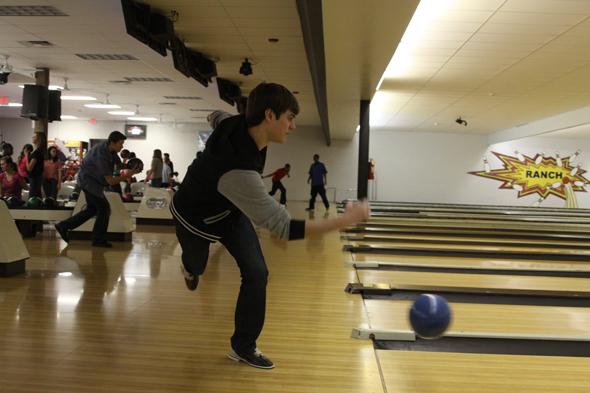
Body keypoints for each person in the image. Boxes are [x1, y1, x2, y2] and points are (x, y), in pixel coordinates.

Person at [171, 82, 370, 370]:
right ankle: (189, 267)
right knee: (198, 267)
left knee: (257, 272)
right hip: (193, 217)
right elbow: (283, 228)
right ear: (269, 115)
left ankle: (243, 346)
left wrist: (212, 119)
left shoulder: (236, 123)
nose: (293, 126)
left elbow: (217, 116)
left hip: (230, 211)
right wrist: (345, 220)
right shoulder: (237, 170)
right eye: (289, 118)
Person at [54, 131, 139, 248]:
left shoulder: (111, 150)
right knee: (104, 208)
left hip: (93, 182)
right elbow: (110, 181)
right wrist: (128, 175)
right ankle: (98, 239)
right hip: (88, 182)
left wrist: (130, 167)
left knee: (92, 209)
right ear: (112, 142)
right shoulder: (101, 154)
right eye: (121, 143)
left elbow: (118, 164)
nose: (122, 146)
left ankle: (64, 226)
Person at [26, 133, 45, 198]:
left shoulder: (37, 152)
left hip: (35, 177)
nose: (32, 138)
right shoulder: (38, 151)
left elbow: (29, 168)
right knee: (37, 195)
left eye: (34, 137)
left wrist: (26, 156)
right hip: (36, 177)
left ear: (38, 139)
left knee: (33, 196)